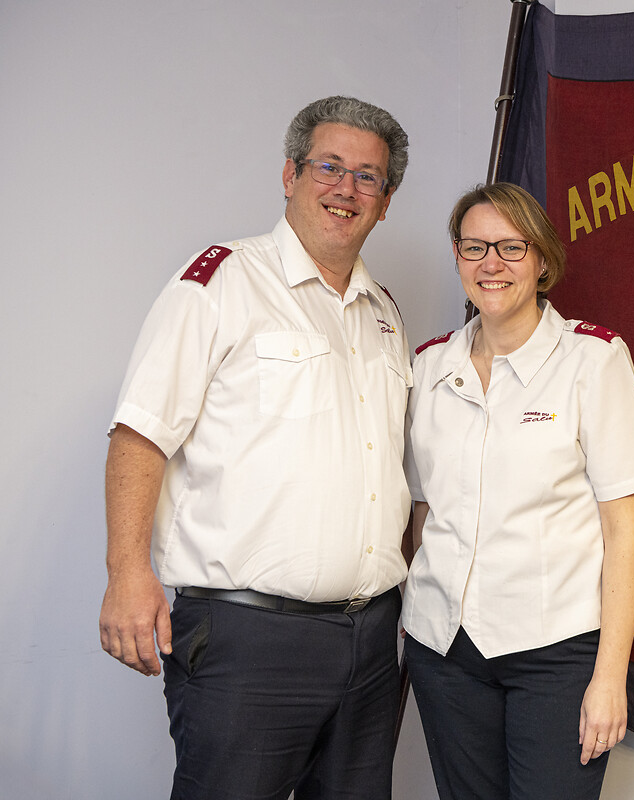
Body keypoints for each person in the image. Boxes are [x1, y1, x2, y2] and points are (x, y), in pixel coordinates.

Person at [98, 96, 413, 800]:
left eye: (368, 177)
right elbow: (140, 432)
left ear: (386, 202)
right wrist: (127, 570)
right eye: (329, 167)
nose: (346, 189)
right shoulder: (221, 282)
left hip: (369, 642)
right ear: (290, 175)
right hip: (248, 639)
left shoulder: (384, 313)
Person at [402, 182, 634, 800]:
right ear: (458, 257)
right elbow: (422, 514)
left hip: (553, 654)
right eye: (474, 248)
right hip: (444, 649)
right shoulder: (429, 368)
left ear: (543, 261)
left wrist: (610, 677)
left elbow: (626, 531)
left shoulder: (593, 361)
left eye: (510, 248)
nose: (490, 264)